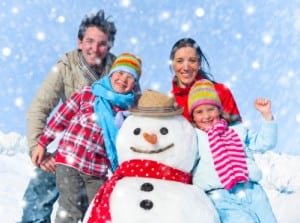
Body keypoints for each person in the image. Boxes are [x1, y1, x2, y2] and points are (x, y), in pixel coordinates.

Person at [21, 9, 118, 223]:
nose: (95, 49)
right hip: (72, 147)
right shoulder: (66, 66)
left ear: (109, 46)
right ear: (80, 42)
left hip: (101, 157)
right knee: (39, 188)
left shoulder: (119, 73)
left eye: (102, 43)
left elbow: (132, 112)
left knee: (98, 207)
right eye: (89, 41)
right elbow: (39, 108)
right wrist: (39, 147)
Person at [31, 52, 142, 223]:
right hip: (70, 161)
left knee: (96, 213)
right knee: (70, 210)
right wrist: (42, 143)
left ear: (134, 84)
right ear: (111, 74)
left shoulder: (126, 114)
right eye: (120, 73)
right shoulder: (89, 93)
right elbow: (61, 118)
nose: (123, 79)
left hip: (97, 170)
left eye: (130, 77)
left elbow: (122, 145)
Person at [188, 79, 278, 223]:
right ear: (193, 117)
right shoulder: (195, 137)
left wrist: (267, 115)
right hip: (220, 196)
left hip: (253, 191)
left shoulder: (238, 130)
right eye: (199, 112)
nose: (206, 116)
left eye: (211, 109)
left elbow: (265, 142)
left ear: (219, 110)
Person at [169, 37, 241, 124]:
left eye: (192, 60)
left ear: (199, 63)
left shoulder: (221, 91)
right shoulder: (169, 103)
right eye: (180, 61)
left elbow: (238, 130)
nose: (186, 68)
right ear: (173, 64)